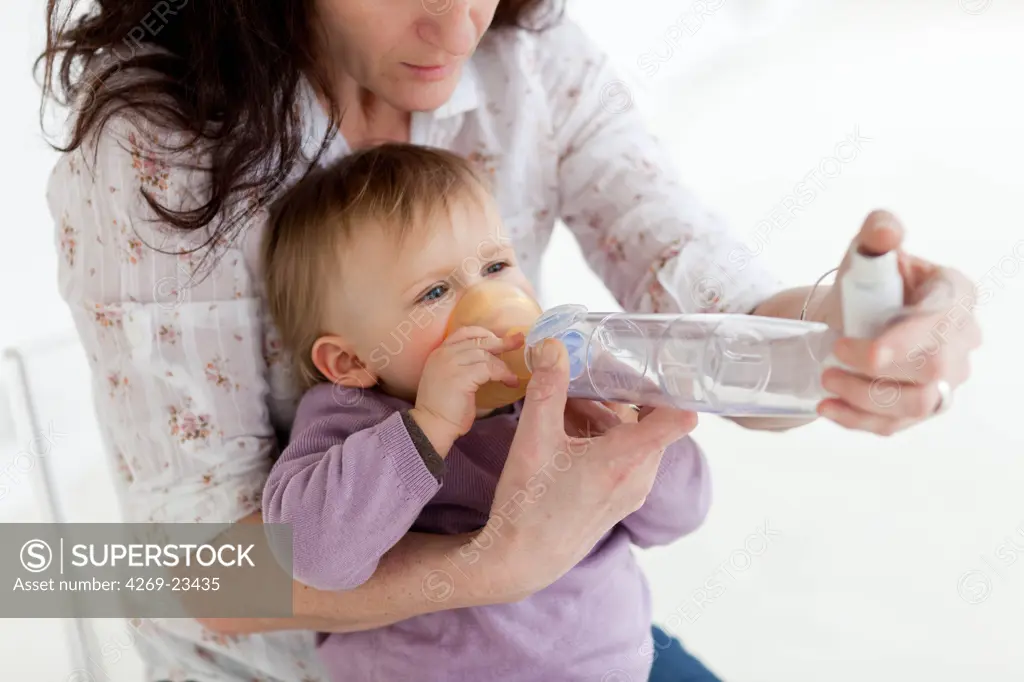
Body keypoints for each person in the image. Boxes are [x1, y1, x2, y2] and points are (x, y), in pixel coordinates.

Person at [39, 0, 981, 680]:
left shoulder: (534, 56)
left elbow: (710, 328)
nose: (460, 30)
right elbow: (201, 574)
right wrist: (495, 560)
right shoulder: (156, 150)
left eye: (497, 267)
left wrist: (846, 340)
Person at [258, 142, 713, 681]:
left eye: (496, 265)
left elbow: (682, 515)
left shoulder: (561, 394)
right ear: (350, 360)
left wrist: (621, 423)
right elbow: (311, 555)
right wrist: (427, 428)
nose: (489, 300)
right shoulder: (353, 418)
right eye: (434, 292)